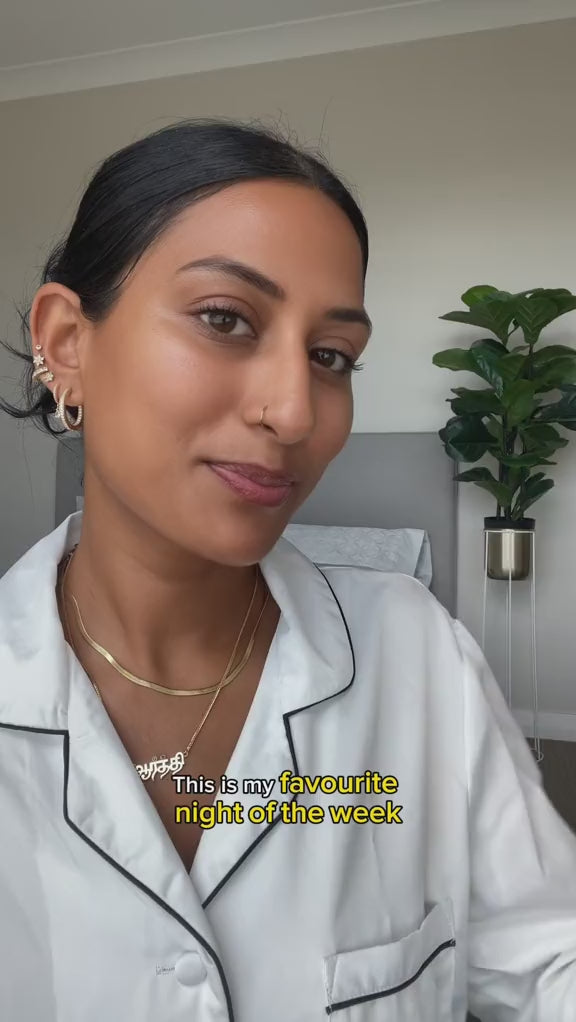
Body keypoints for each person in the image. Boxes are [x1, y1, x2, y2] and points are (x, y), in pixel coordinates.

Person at [0, 118, 575, 1022]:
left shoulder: (413, 652)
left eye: (331, 356)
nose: (296, 410)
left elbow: (552, 959)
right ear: (69, 342)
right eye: (224, 319)